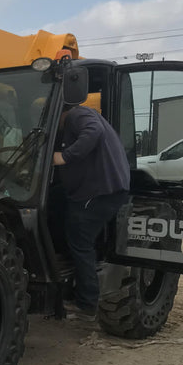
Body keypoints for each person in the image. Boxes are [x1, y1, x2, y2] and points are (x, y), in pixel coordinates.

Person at [53, 103, 130, 320]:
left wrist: (64, 157)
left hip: (99, 193)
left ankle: (86, 303)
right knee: (55, 200)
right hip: (96, 190)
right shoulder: (75, 120)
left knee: (79, 239)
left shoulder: (79, 114)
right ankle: (67, 274)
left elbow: (93, 132)